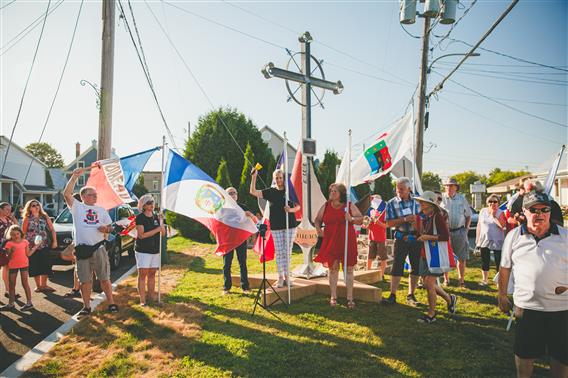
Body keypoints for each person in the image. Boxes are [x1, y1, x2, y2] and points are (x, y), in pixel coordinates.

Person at [498, 191, 568, 378]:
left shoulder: (565, 237)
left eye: (544, 209)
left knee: (561, 356)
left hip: (561, 308)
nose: (539, 214)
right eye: (533, 210)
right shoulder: (513, 236)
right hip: (527, 307)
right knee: (524, 354)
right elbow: (505, 268)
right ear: (524, 212)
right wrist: (502, 295)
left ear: (550, 211)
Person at [63, 168, 118, 317]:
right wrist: (74, 177)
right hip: (82, 250)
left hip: (98, 248)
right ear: (83, 197)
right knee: (84, 280)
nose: (95, 197)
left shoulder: (101, 210)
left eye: (95, 195)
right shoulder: (77, 207)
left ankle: (111, 303)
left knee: (104, 278)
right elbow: (66, 194)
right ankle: (87, 307)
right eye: (91, 195)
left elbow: (111, 227)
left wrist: (106, 229)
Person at [314, 183, 363, 308]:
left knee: (349, 269)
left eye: (334, 191)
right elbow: (317, 219)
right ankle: (333, 296)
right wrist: (318, 229)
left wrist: (351, 218)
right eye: (331, 190)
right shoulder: (325, 206)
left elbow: (361, 219)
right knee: (333, 269)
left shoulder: (349, 206)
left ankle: (350, 298)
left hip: (347, 240)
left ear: (341, 194)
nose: (331, 193)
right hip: (331, 240)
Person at [250, 168, 300, 288]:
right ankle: (280, 277)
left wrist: (290, 210)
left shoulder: (289, 191)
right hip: (276, 226)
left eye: (280, 177)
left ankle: (288, 277)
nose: (278, 180)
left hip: (290, 226)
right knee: (279, 252)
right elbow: (253, 192)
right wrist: (254, 177)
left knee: (287, 252)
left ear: (284, 178)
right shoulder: (271, 192)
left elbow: (298, 206)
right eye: (276, 178)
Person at [414, 191, 458, 323]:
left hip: (436, 255)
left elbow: (445, 236)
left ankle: (431, 314)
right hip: (427, 254)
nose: (420, 205)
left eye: (422, 203)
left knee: (429, 283)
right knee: (429, 284)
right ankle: (449, 299)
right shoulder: (425, 217)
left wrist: (428, 237)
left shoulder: (437, 216)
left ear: (429, 205)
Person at [382, 177, 421, 305]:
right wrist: (404, 219)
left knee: (416, 266)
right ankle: (392, 295)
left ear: (409, 189)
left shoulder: (418, 201)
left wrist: (417, 222)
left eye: (402, 189)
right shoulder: (391, 203)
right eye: (397, 189)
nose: (399, 191)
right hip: (401, 238)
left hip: (416, 237)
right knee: (397, 266)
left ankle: (411, 294)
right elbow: (388, 223)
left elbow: (424, 218)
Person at [222, 187, 257, 295]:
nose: (232, 195)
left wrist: (250, 215)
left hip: (241, 240)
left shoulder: (243, 207)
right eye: (230, 193)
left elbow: (255, 221)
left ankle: (245, 287)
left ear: (237, 195)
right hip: (228, 241)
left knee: (242, 263)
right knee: (226, 264)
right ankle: (226, 288)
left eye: (234, 193)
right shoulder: (222, 209)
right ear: (226, 196)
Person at [134, 194, 166, 306]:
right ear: (143, 205)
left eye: (152, 202)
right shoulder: (140, 218)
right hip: (143, 250)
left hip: (155, 250)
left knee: (152, 273)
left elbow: (163, 234)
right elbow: (141, 235)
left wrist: (162, 224)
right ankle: (142, 300)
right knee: (143, 274)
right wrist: (158, 229)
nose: (151, 204)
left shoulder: (157, 216)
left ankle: (152, 296)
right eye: (148, 202)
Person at [441, 178, 471, 288]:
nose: (448, 188)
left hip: (459, 231)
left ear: (456, 187)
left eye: (451, 186)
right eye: (447, 185)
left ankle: (461, 280)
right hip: (445, 232)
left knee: (461, 257)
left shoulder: (462, 199)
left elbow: (468, 215)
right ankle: (446, 279)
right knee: (445, 256)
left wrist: (466, 229)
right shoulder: (441, 199)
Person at [0, 224, 39, 311]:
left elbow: (28, 254)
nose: (15, 236)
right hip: (13, 266)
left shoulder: (25, 242)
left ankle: (29, 303)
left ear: (20, 233)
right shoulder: (9, 244)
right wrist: (11, 252)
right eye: (13, 234)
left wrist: (36, 247)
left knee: (25, 283)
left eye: (17, 234)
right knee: (11, 285)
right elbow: (8, 258)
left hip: (24, 265)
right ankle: (11, 304)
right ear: (10, 235)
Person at [21, 200, 57, 293]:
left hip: (44, 244)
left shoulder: (44, 216)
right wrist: (23, 246)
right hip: (32, 247)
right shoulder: (27, 218)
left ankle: (44, 285)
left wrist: (54, 241)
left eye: (37, 205)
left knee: (45, 264)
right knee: (35, 265)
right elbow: (23, 234)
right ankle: (38, 286)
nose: (36, 207)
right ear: (29, 208)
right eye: (33, 205)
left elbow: (52, 229)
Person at [475, 194, 506, 286]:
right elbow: (479, 225)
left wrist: (494, 216)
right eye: (490, 202)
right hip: (485, 239)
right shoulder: (483, 211)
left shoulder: (500, 212)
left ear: (498, 203)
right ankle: (485, 280)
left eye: (495, 202)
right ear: (487, 203)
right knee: (485, 260)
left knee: (498, 261)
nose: (492, 203)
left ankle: (499, 281)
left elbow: (502, 226)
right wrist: (477, 239)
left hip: (497, 240)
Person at [366, 194, 388, 276]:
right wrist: (367, 223)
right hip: (371, 237)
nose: (374, 202)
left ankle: (382, 275)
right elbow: (366, 223)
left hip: (381, 237)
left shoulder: (384, 211)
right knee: (370, 256)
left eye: (376, 200)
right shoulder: (370, 210)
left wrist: (378, 222)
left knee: (383, 257)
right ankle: (367, 272)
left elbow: (386, 225)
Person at [1, 202, 18, 299]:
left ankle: (8, 290)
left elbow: (16, 227)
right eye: (7, 209)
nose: (9, 211)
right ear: (1, 209)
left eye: (10, 209)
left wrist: (13, 218)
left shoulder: (8, 220)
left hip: (6, 249)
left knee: (7, 268)